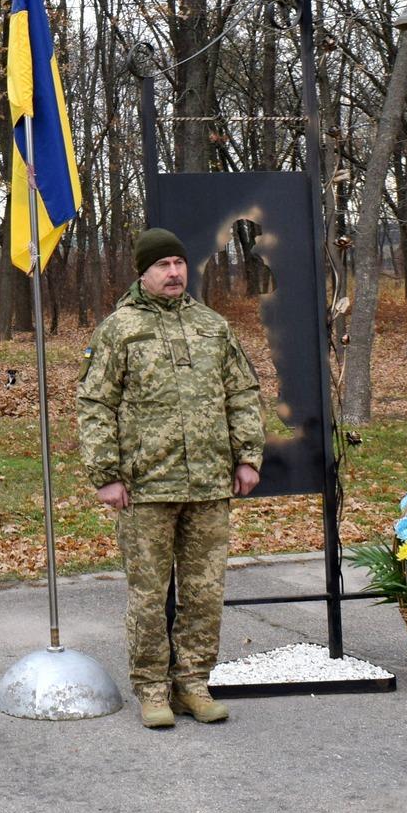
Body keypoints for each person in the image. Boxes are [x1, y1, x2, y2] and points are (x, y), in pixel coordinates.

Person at [76, 228, 265, 730]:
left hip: (208, 486)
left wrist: (247, 457)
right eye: (163, 265)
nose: (174, 273)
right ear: (143, 272)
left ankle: (194, 684)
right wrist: (107, 474)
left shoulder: (213, 327)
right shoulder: (120, 329)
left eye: (180, 263)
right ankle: (152, 689)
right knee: (148, 594)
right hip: (146, 488)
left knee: (204, 593)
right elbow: (95, 405)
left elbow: (242, 393)